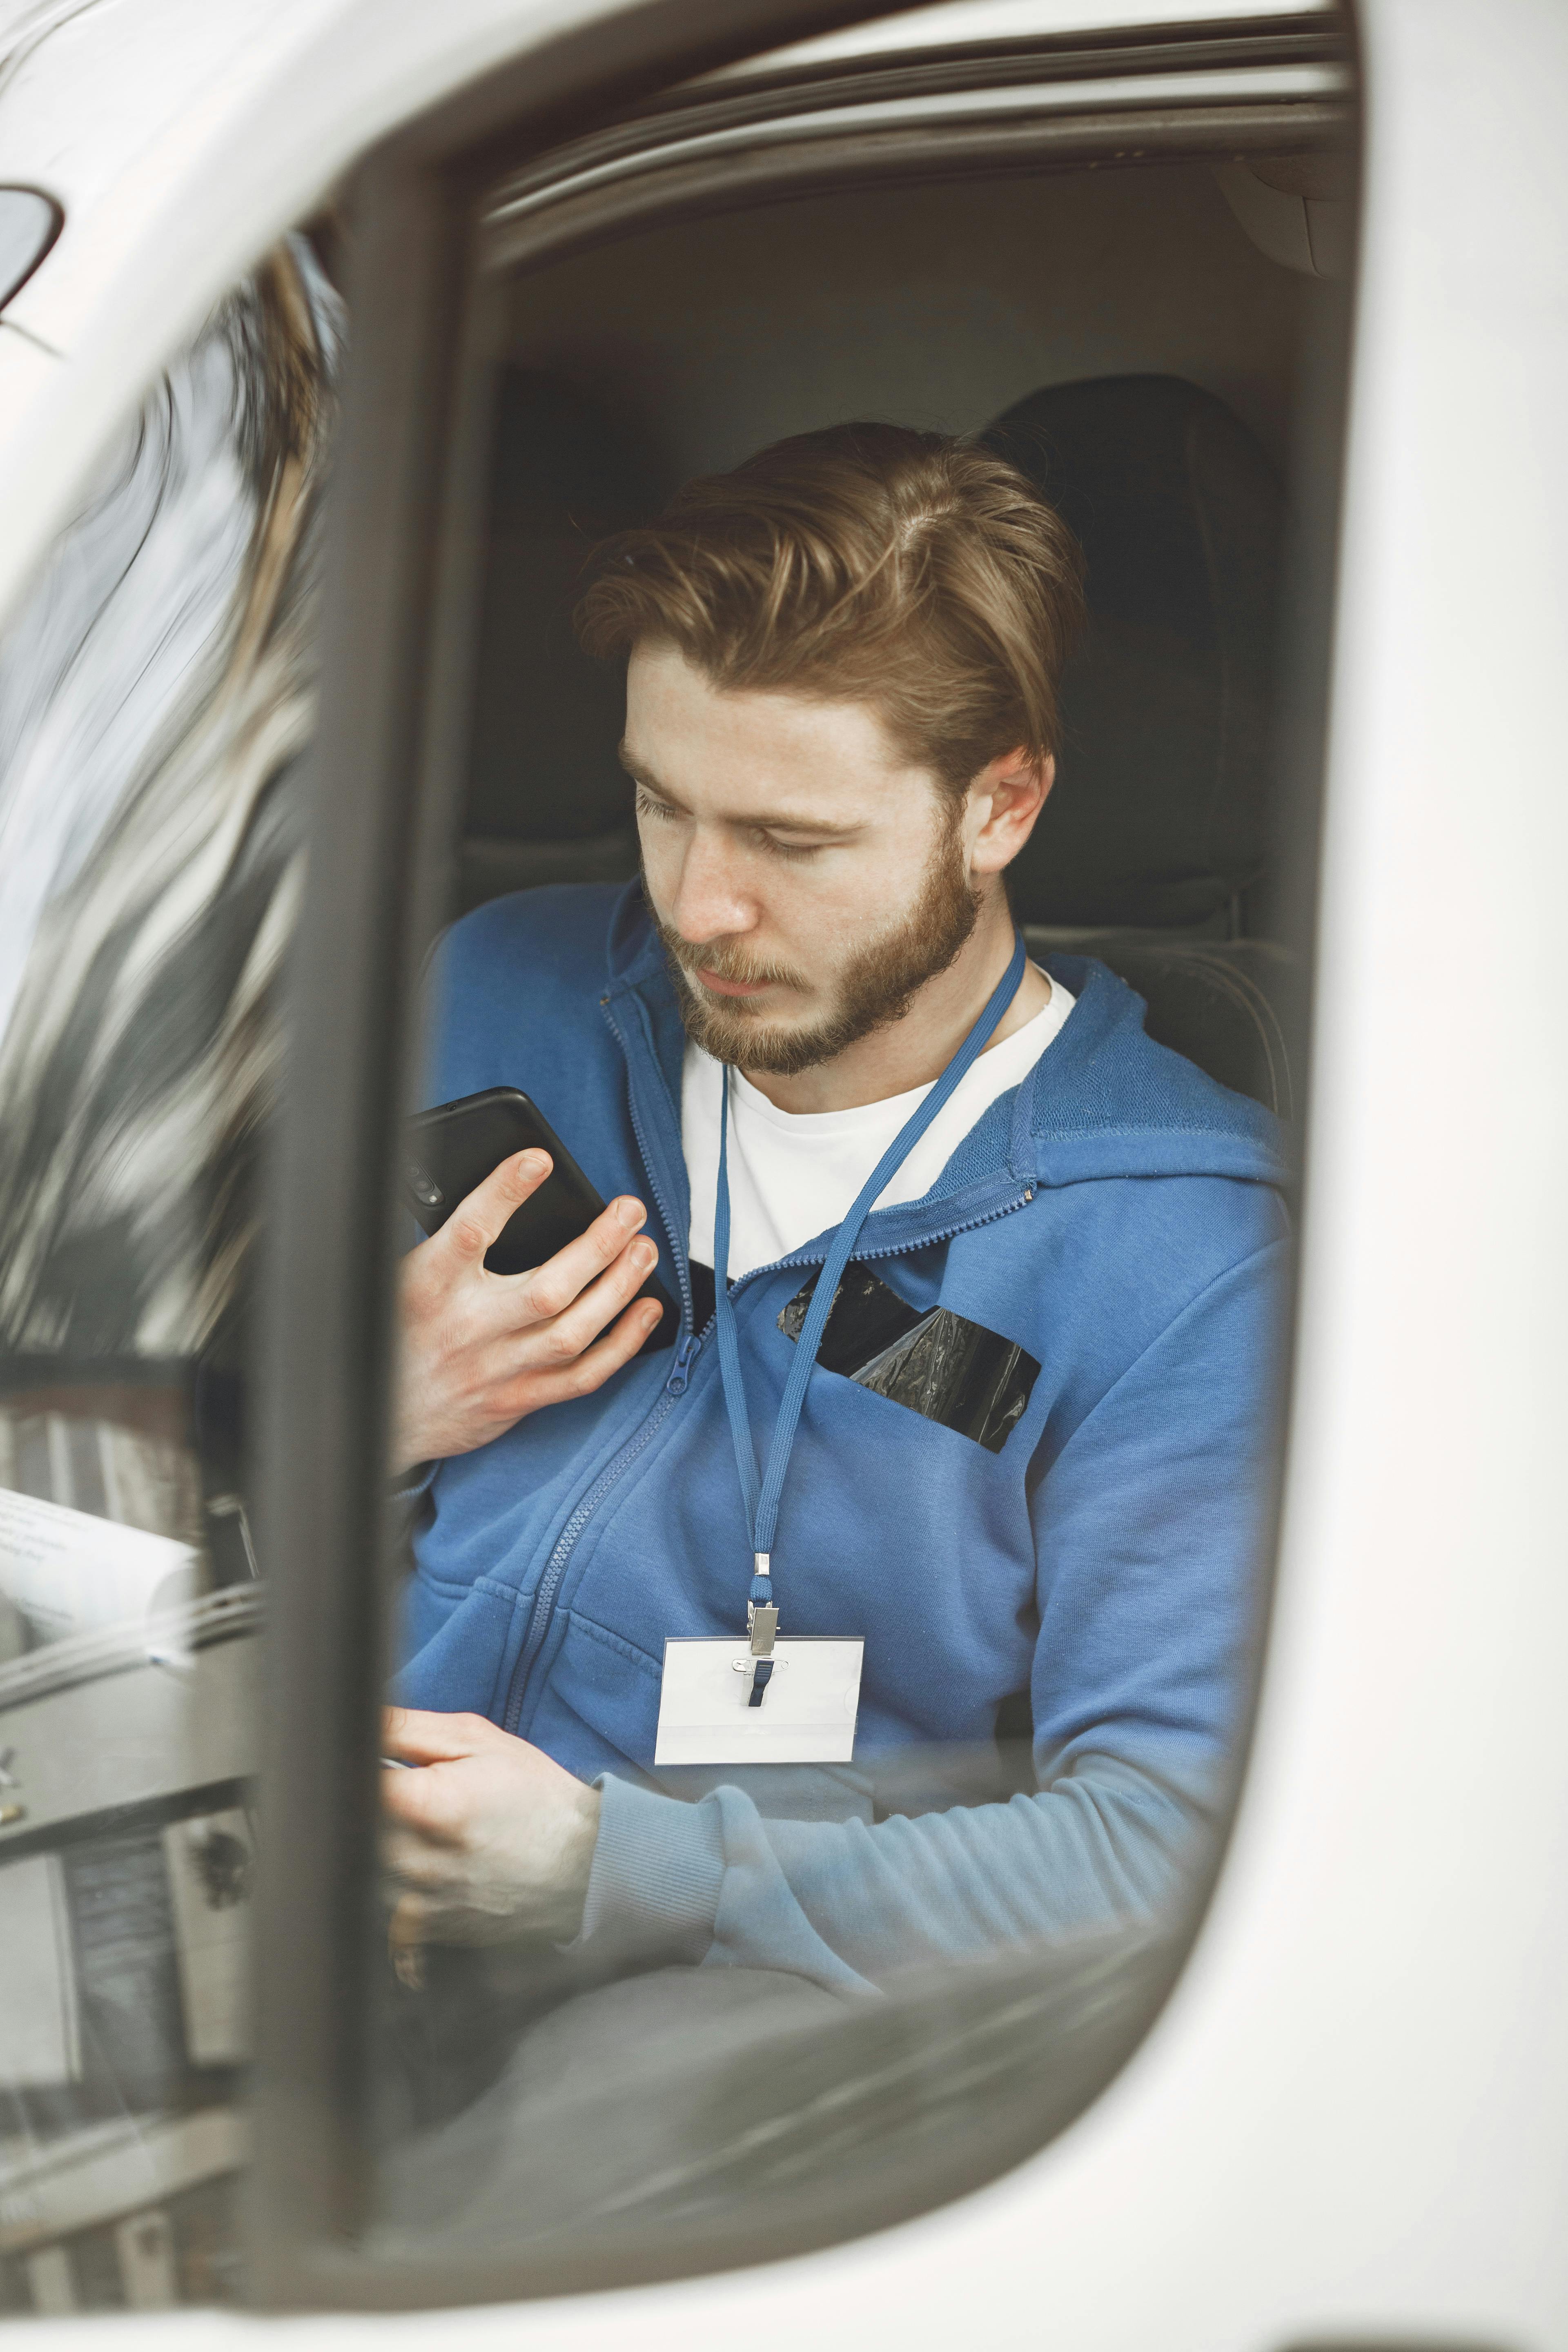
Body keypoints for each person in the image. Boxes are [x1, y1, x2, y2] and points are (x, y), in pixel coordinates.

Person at [381, 422, 1288, 2003]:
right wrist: (366, 1420)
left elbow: (1161, 1855)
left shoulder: (1181, 1253)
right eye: (663, 804)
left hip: (719, 2017)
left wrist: (608, 1871)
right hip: (289, 1869)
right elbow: (165, 1486)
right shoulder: (500, 992)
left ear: (999, 808)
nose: (698, 906)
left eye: (792, 843)